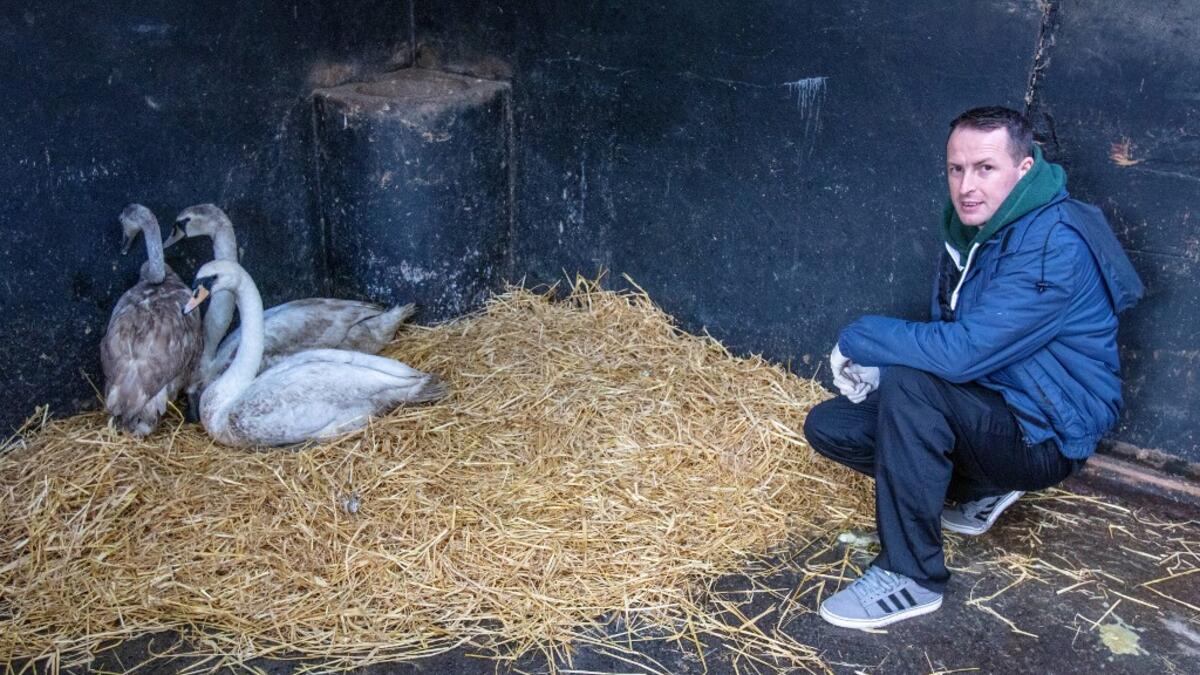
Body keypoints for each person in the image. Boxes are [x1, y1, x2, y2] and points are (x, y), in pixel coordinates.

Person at [803, 106, 1144, 630]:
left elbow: (963, 351)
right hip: (998, 402)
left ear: (1024, 169)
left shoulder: (1054, 243)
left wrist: (862, 338)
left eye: (985, 168)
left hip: (1045, 434)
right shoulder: (981, 227)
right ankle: (982, 487)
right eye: (956, 169)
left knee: (913, 386)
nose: (966, 184)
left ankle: (911, 577)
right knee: (832, 426)